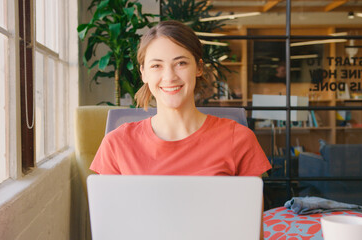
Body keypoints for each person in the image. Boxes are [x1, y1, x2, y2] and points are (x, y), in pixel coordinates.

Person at [90, 20, 271, 238]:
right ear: (143, 73)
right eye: (156, 65)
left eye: (181, 63)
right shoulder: (117, 143)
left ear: (199, 67)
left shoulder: (239, 139)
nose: (170, 77)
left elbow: (252, 233)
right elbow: (110, 230)